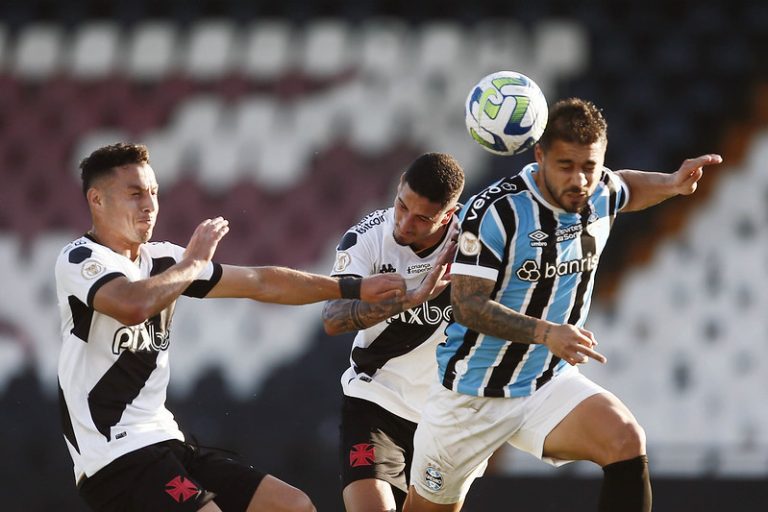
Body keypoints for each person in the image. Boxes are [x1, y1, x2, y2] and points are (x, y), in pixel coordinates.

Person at [403, 98, 723, 512]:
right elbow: (467, 306)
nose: (580, 180)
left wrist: (672, 183)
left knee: (624, 439)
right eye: (566, 166)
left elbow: (623, 187)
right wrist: (546, 333)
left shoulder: (599, 189)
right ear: (539, 156)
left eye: (589, 166)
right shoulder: (497, 212)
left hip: (543, 382)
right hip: (471, 395)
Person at [55, 142, 406, 512]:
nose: (149, 204)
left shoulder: (164, 260)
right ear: (97, 200)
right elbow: (131, 305)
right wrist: (192, 263)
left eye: (154, 192)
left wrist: (352, 287)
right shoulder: (80, 258)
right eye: (134, 193)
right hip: (113, 456)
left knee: (292, 506)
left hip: (165, 441)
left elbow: (261, 281)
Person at [322, 153, 465, 512]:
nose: (404, 223)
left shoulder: (476, 245)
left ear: (448, 215)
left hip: (447, 415)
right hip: (375, 401)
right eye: (401, 205)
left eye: (422, 218)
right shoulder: (367, 238)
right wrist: (412, 299)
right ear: (399, 185)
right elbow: (333, 318)